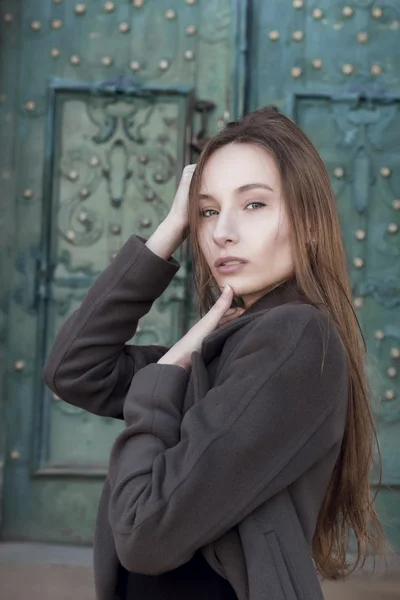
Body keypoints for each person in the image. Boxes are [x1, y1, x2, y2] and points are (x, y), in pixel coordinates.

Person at [43, 106, 386, 600]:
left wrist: (165, 374)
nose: (222, 230)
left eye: (254, 205)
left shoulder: (294, 339)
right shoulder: (236, 346)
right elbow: (75, 369)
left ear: (309, 224)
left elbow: (145, 535)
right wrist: (169, 229)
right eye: (207, 211)